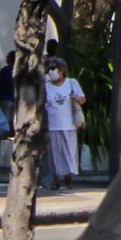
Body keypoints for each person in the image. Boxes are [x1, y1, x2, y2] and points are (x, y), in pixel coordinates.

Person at [43, 57, 86, 191]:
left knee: (69, 153)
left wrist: (77, 99)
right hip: (52, 125)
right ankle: (56, 180)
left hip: (69, 125)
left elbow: (83, 99)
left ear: (62, 70)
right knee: (55, 154)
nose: (51, 71)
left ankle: (69, 179)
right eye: (49, 69)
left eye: (53, 68)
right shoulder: (46, 86)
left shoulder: (71, 83)